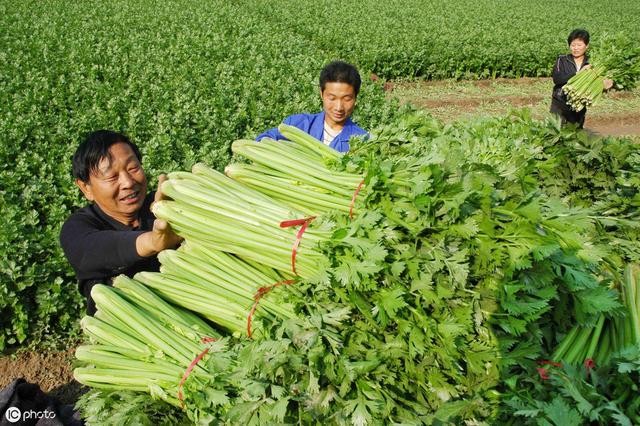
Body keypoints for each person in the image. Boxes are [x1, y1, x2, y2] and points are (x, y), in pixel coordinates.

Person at [59, 130, 181, 314]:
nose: (128, 182)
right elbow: (97, 249)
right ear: (86, 188)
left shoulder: (163, 205)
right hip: (131, 335)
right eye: (111, 177)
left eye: (133, 169)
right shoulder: (78, 228)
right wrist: (154, 241)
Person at [256, 60, 367, 152]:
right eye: (332, 98)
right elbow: (263, 140)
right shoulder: (299, 124)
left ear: (355, 98)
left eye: (347, 99)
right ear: (321, 94)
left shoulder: (363, 141)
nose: (339, 107)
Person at [550, 28, 613, 128]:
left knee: (575, 135)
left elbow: (600, 83)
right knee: (555, 133)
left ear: (586, 46)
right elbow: (557, 79)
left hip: (579, 106)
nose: (576, 48)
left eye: (579, 45)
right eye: (573, 45)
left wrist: (606, 85)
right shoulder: (562, 59)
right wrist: (578, 73)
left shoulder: (593, 63)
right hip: (559, 103)